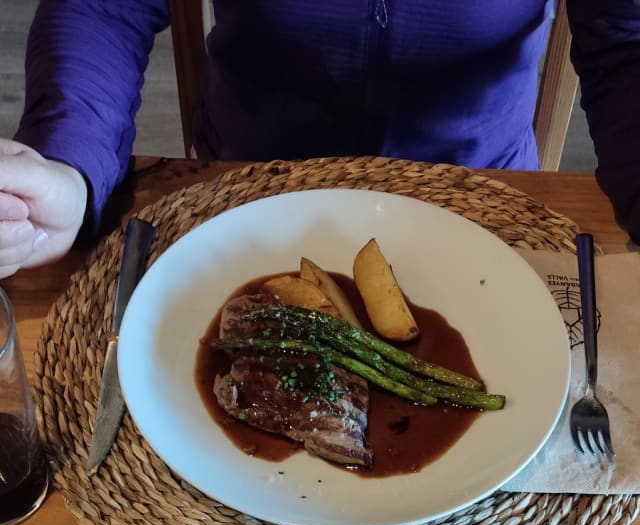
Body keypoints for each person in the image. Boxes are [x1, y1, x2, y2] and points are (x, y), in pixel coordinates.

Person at [1, 0, 639, 281]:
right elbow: (104, 6)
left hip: (480, 194)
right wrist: (67, 161)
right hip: (241, 192)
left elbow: (628, 41)